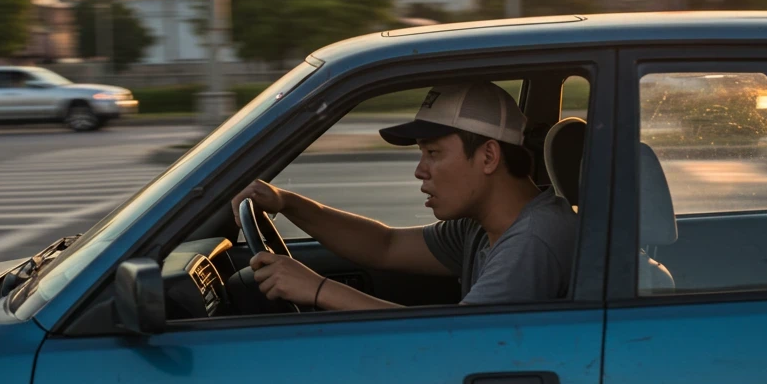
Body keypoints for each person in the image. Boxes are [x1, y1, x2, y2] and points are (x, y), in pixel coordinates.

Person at [231, 81, 578, 311]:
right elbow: (385, 245)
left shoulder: (534, 239)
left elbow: (459, 342)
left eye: (434, 153)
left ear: (488, 157)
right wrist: (288, 202)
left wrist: (318, 290)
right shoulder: (480, 226)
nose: (420, 170)